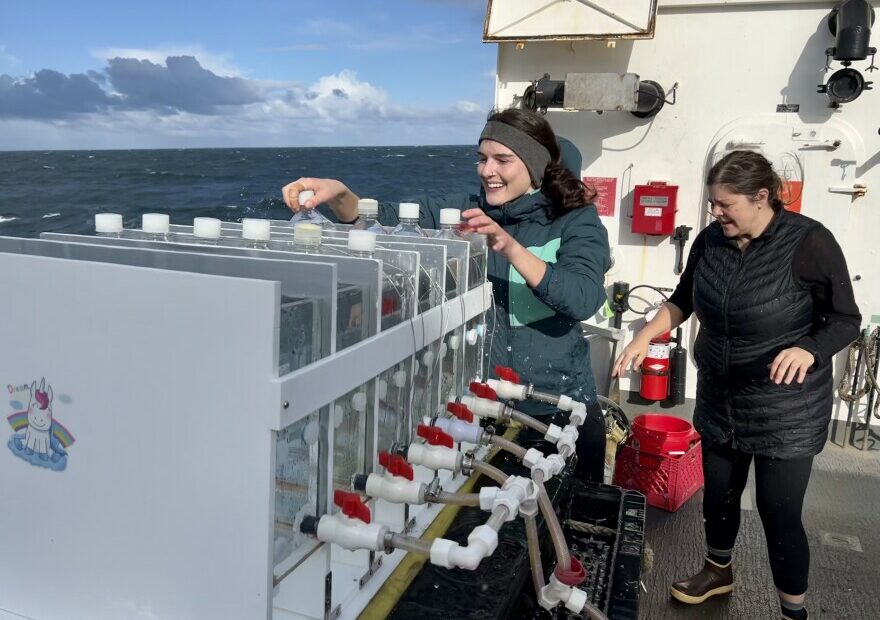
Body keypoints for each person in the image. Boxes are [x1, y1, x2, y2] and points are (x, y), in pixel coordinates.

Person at [281, 107, 612, 483]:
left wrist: (509, 246)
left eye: (502, 160)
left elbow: (584, 297)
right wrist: (338, 194)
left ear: (535, 166)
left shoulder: (576, 220)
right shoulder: (464, 209)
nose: (487, 170)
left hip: (556, 410)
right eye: (482, 158)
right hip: (482, 412)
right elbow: (383, 220)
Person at [613, 150, 861, 620]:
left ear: (761, 197)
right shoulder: (710, 241)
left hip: (787, 406)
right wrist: (646, 334)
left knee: (778, 511)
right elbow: (683, 299)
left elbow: (846, 319)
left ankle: (793, 610)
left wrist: (809, 348)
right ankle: (717, 570)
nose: (715, 213)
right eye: (712, 203)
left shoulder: (811, 242)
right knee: (719, 496)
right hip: (721, 396)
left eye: (725, 204)